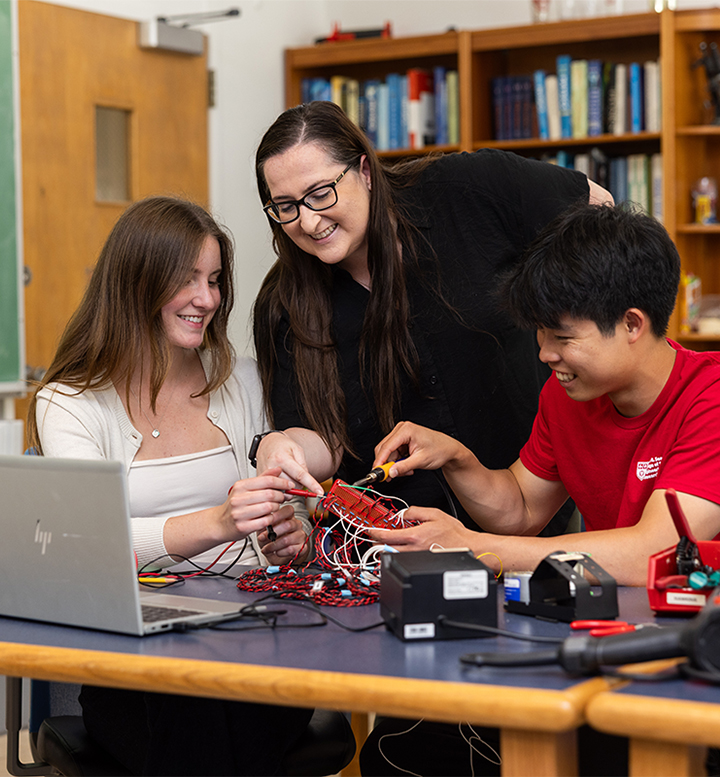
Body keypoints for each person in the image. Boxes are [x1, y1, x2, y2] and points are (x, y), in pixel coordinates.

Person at [359, 202, 720, 777]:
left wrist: (475, 547)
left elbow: (652, 550)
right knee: (403, 750)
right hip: (610, 644)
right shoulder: (566, 395)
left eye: (562, 338)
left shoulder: (711, 398)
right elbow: (522, 508)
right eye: (541, 336)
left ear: (632, 324)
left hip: (694, 662)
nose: (546, 355)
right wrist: (458, 458)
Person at [27, 196, 315, 776]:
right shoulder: (70, 402)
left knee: (235, 713)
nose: (206, 299)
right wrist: (219, 521)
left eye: (213, 280)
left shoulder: (242, 380)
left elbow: (284, 517)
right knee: (193, 713)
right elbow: (91, 549)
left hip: (249, 634)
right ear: (137, 282)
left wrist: (291, 534)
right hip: (134, 658)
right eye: (186, 281)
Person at [251, 100, 612, 533]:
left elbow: (599, 208)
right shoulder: (282, 304)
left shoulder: (465, 188)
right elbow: (322, 436)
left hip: (535, 511)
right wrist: (282, 447)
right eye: (285, 207)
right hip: (389, 541)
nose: (308, 222)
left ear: (364, 171)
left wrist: (562, 329)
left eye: (320, 193)